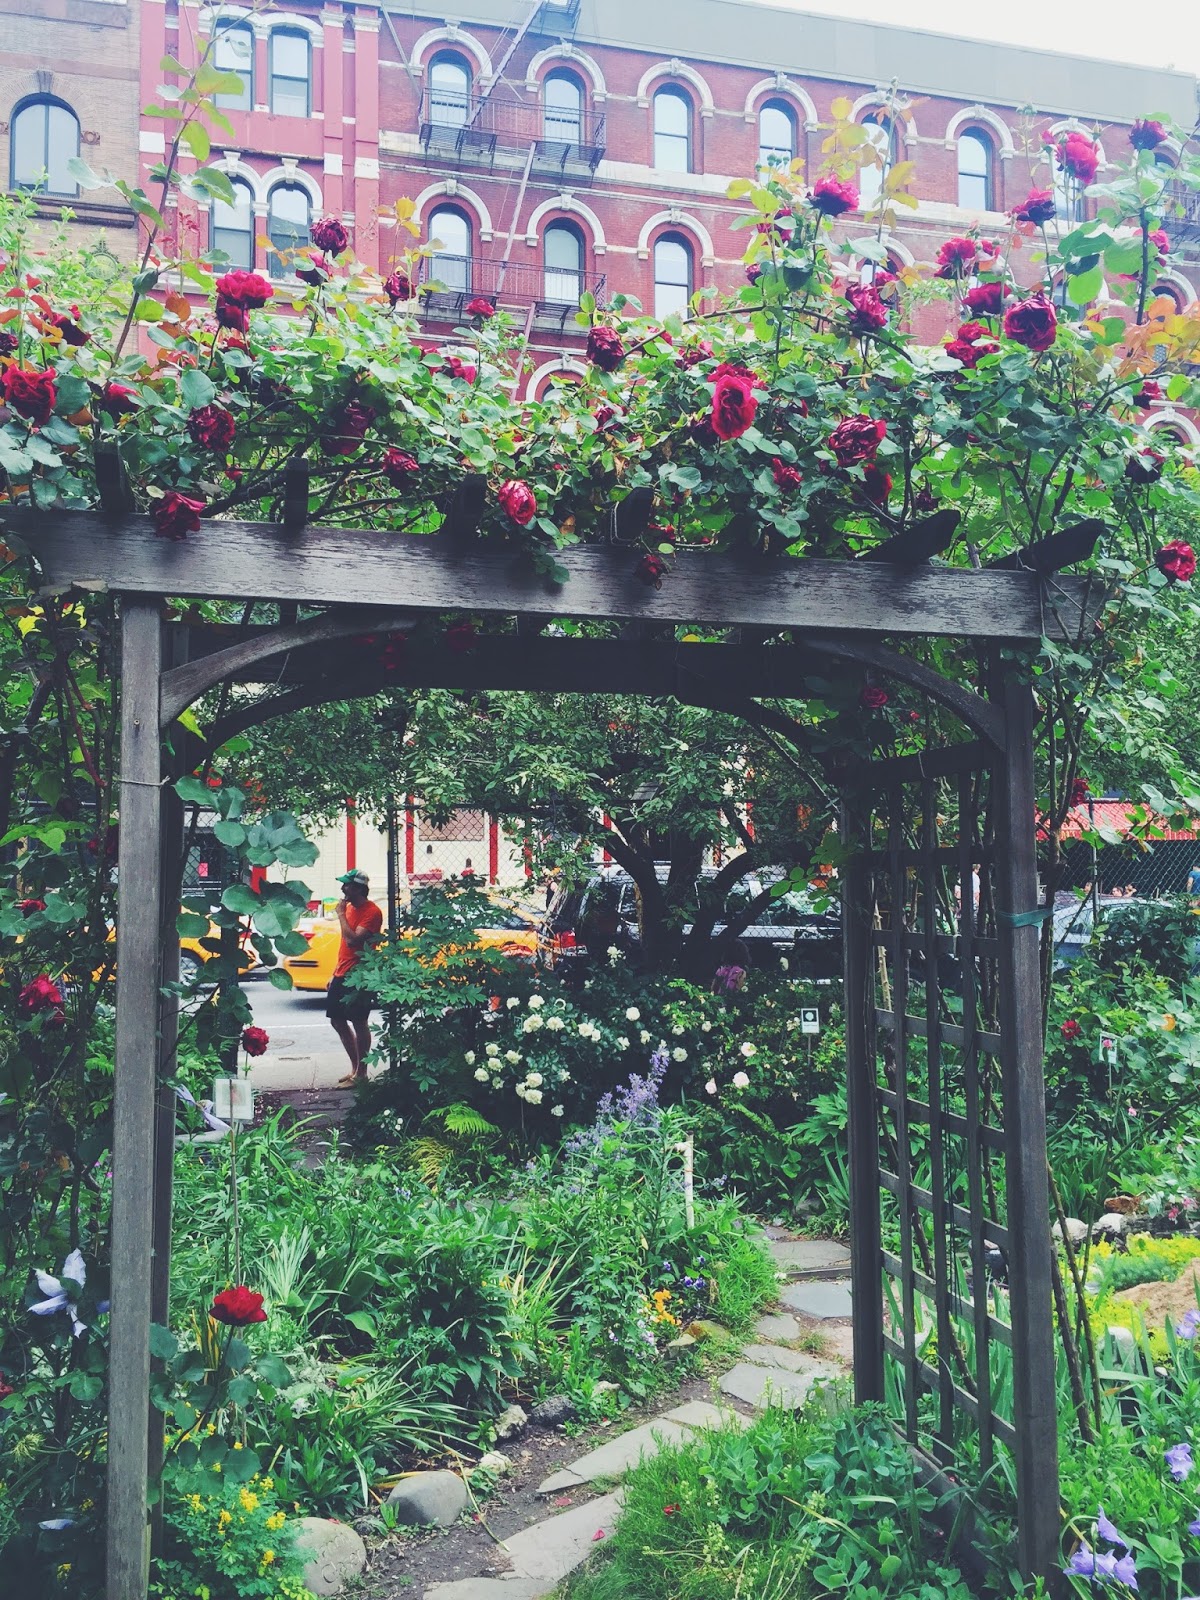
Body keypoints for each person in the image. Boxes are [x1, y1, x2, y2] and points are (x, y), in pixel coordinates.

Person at [327, 869, 383, 1088]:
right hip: (342, 972)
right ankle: (354, 1069)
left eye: (347, 885)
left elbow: (352, 940)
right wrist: (334, 972)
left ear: (359, 888)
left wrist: (340, 915)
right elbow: (344, 946)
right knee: (337, 1020)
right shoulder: (350, 908)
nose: (343, 889)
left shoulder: (372, 912)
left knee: (359, 1021)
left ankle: (362, 1074)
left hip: (359, 974)